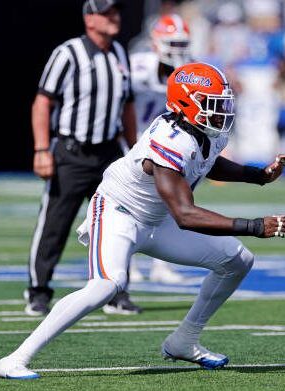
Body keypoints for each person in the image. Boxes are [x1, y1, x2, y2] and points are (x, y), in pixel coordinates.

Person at [0, 62, 285, 379]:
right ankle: (15, 358)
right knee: (105, 286)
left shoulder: (202, 130)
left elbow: (207, 162)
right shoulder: (170, 139)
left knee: (238, 260)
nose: (221, 111)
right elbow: (186, 215)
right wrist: (255, 226)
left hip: (157, 219)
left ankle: (184, 341)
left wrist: (259, 175)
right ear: (187, 102)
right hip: (118, 213)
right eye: (212, 103)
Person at [25, 0, 140, 316]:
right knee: (55, 223)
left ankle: (116, 291)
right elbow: (42, 102)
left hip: (108, 153)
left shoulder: (119, 53)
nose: (115, 17)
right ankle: (38, 290)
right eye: (107, 13)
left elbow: (127, 106)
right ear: (90, 19)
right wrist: (40, 149)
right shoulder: (68, 53)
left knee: (119, 222)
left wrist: (134, 150)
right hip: (72, 151)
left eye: (116, 12)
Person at [124, 13, 193, 286]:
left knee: (168, 204)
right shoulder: (136, 66)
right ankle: (126, 262)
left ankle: (161, 265)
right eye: (171, 43)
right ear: (156, 42)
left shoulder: (190, 71)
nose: (177, 50)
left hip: (165, 146)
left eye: (181, 44)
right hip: (132, 143)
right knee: (130, 205)